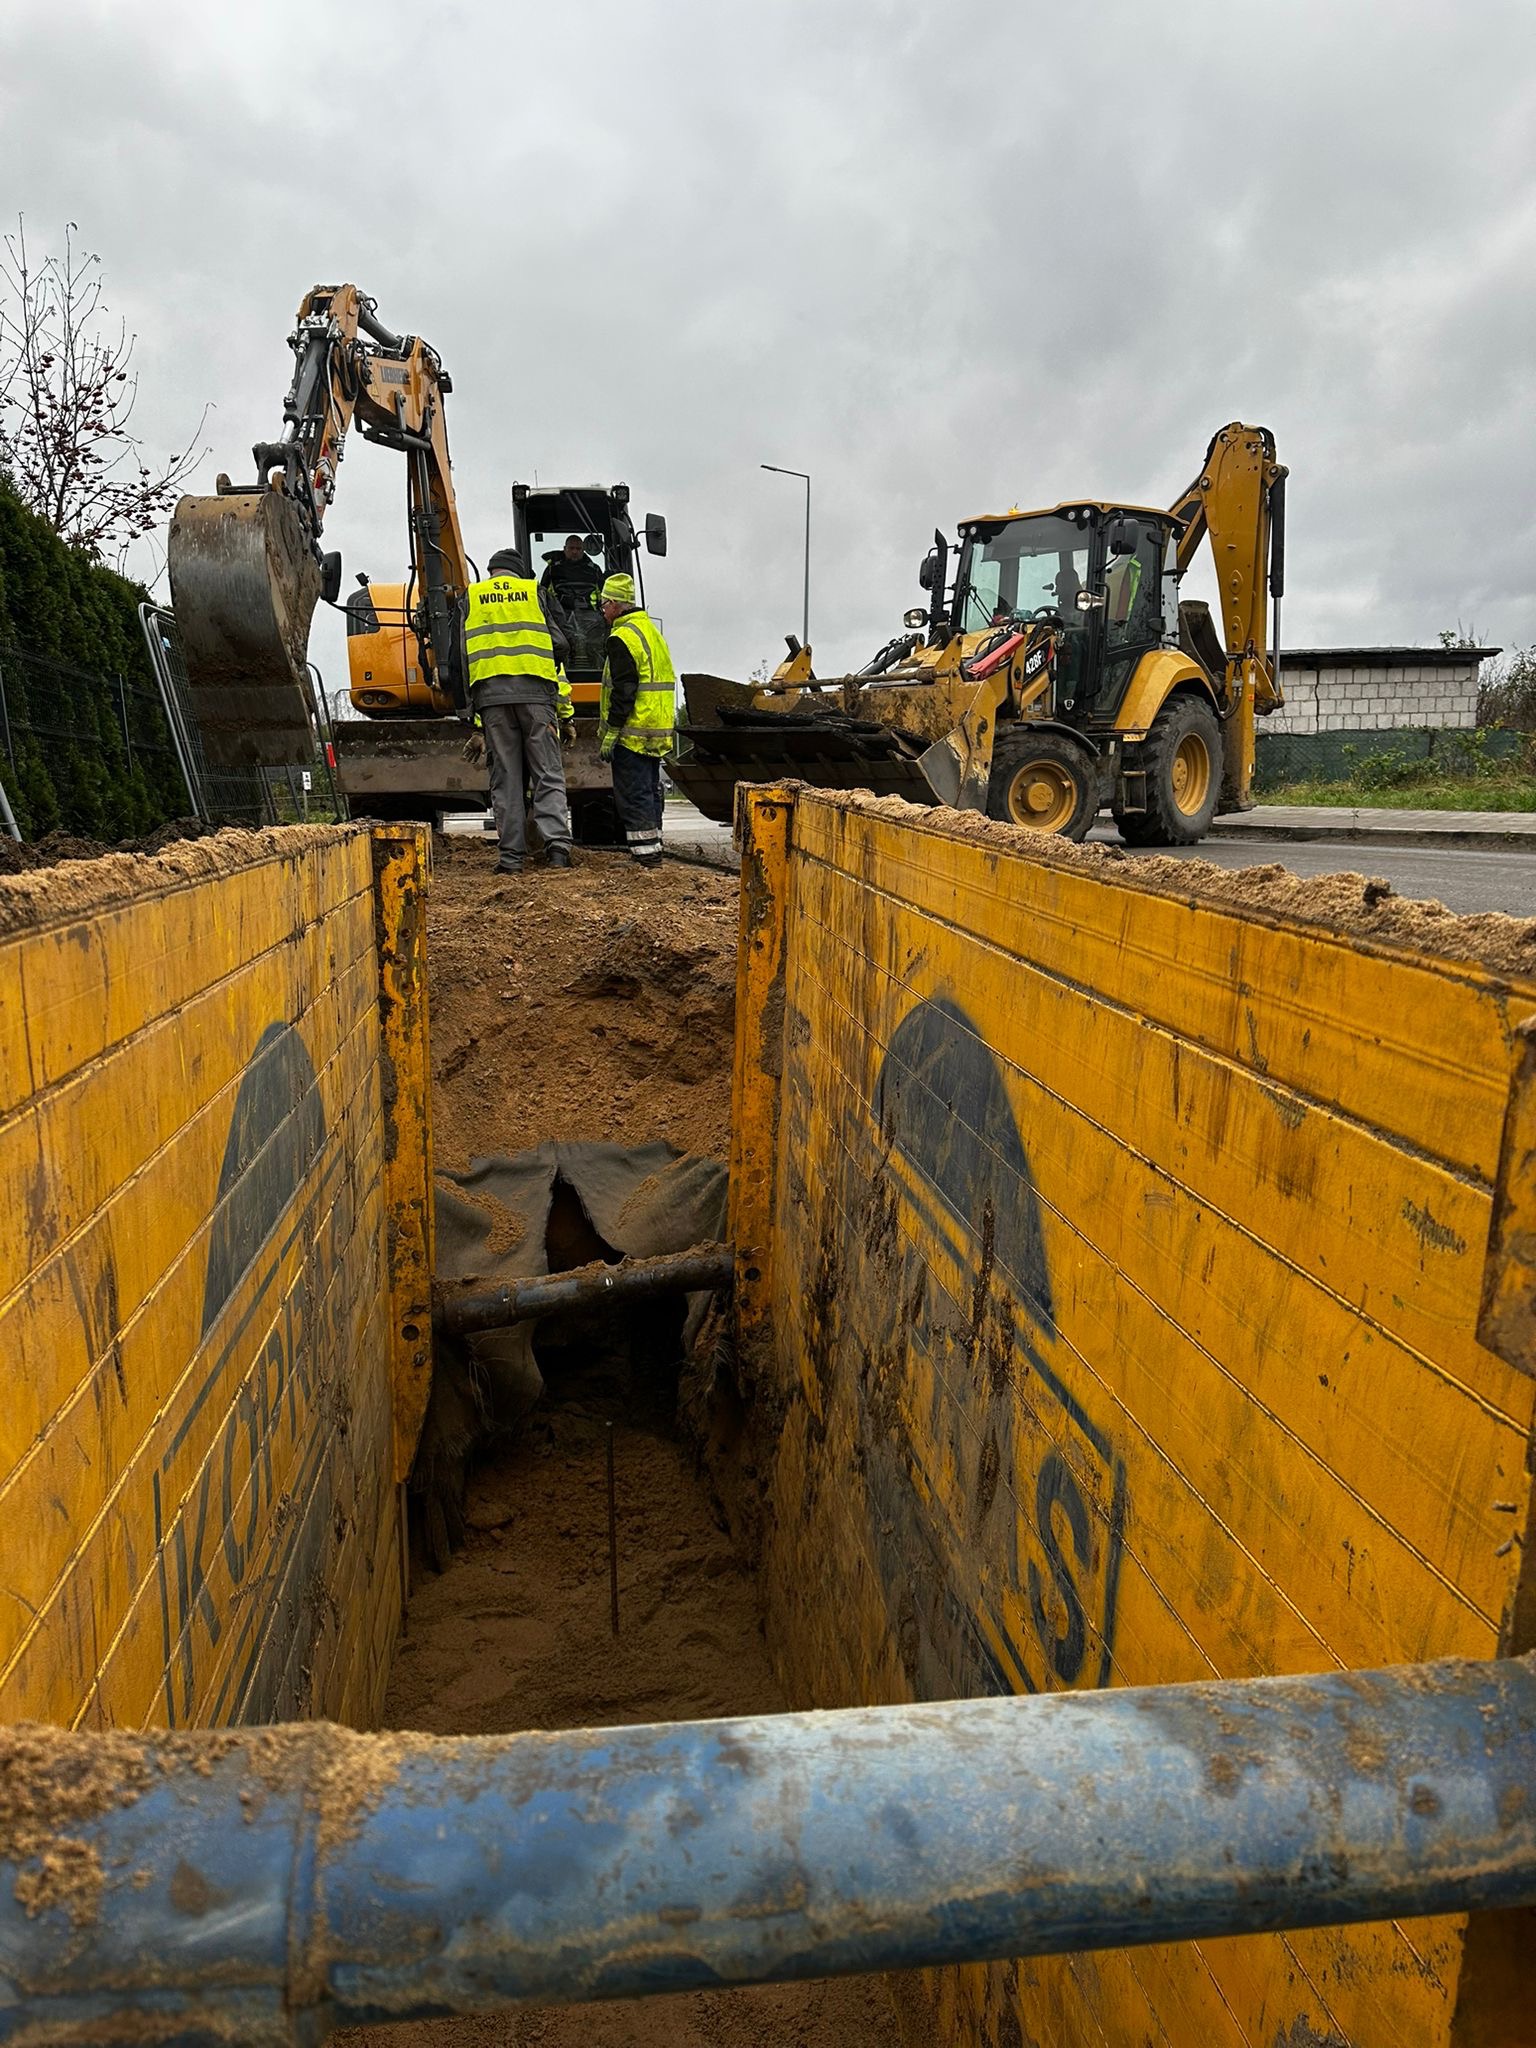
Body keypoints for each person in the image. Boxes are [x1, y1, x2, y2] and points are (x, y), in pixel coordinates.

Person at [462, 546, 576, 875]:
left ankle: (511, 858)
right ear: (518, 571)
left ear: (491, 571)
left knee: (506, 778)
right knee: (547, 773)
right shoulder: (534, 592)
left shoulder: (473, 596)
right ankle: (556, 849)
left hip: (491, 702)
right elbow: (563, 643)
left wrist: (472, 718)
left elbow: (459, 658)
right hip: (537, 696)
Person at [596, 572, 675, 868]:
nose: (602, 610)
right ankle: (653, 851)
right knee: (650, 791)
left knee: (634, 794)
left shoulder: (622, 638)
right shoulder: (650, 631)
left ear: (616, 604)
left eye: (604, 604)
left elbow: (624, 690)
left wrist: (612, 730)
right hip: (654, 728)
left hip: (632, 731)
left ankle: (646, 859)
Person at [540, 533, 604, 612]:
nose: (574, 551)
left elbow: (603, 595)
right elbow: (543, 593)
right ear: (564, 549)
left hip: (591, 615)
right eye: (571, 548)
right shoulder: (552, 569)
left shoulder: (595, 570)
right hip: (559, 615)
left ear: (583, 550)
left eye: (578, 548)